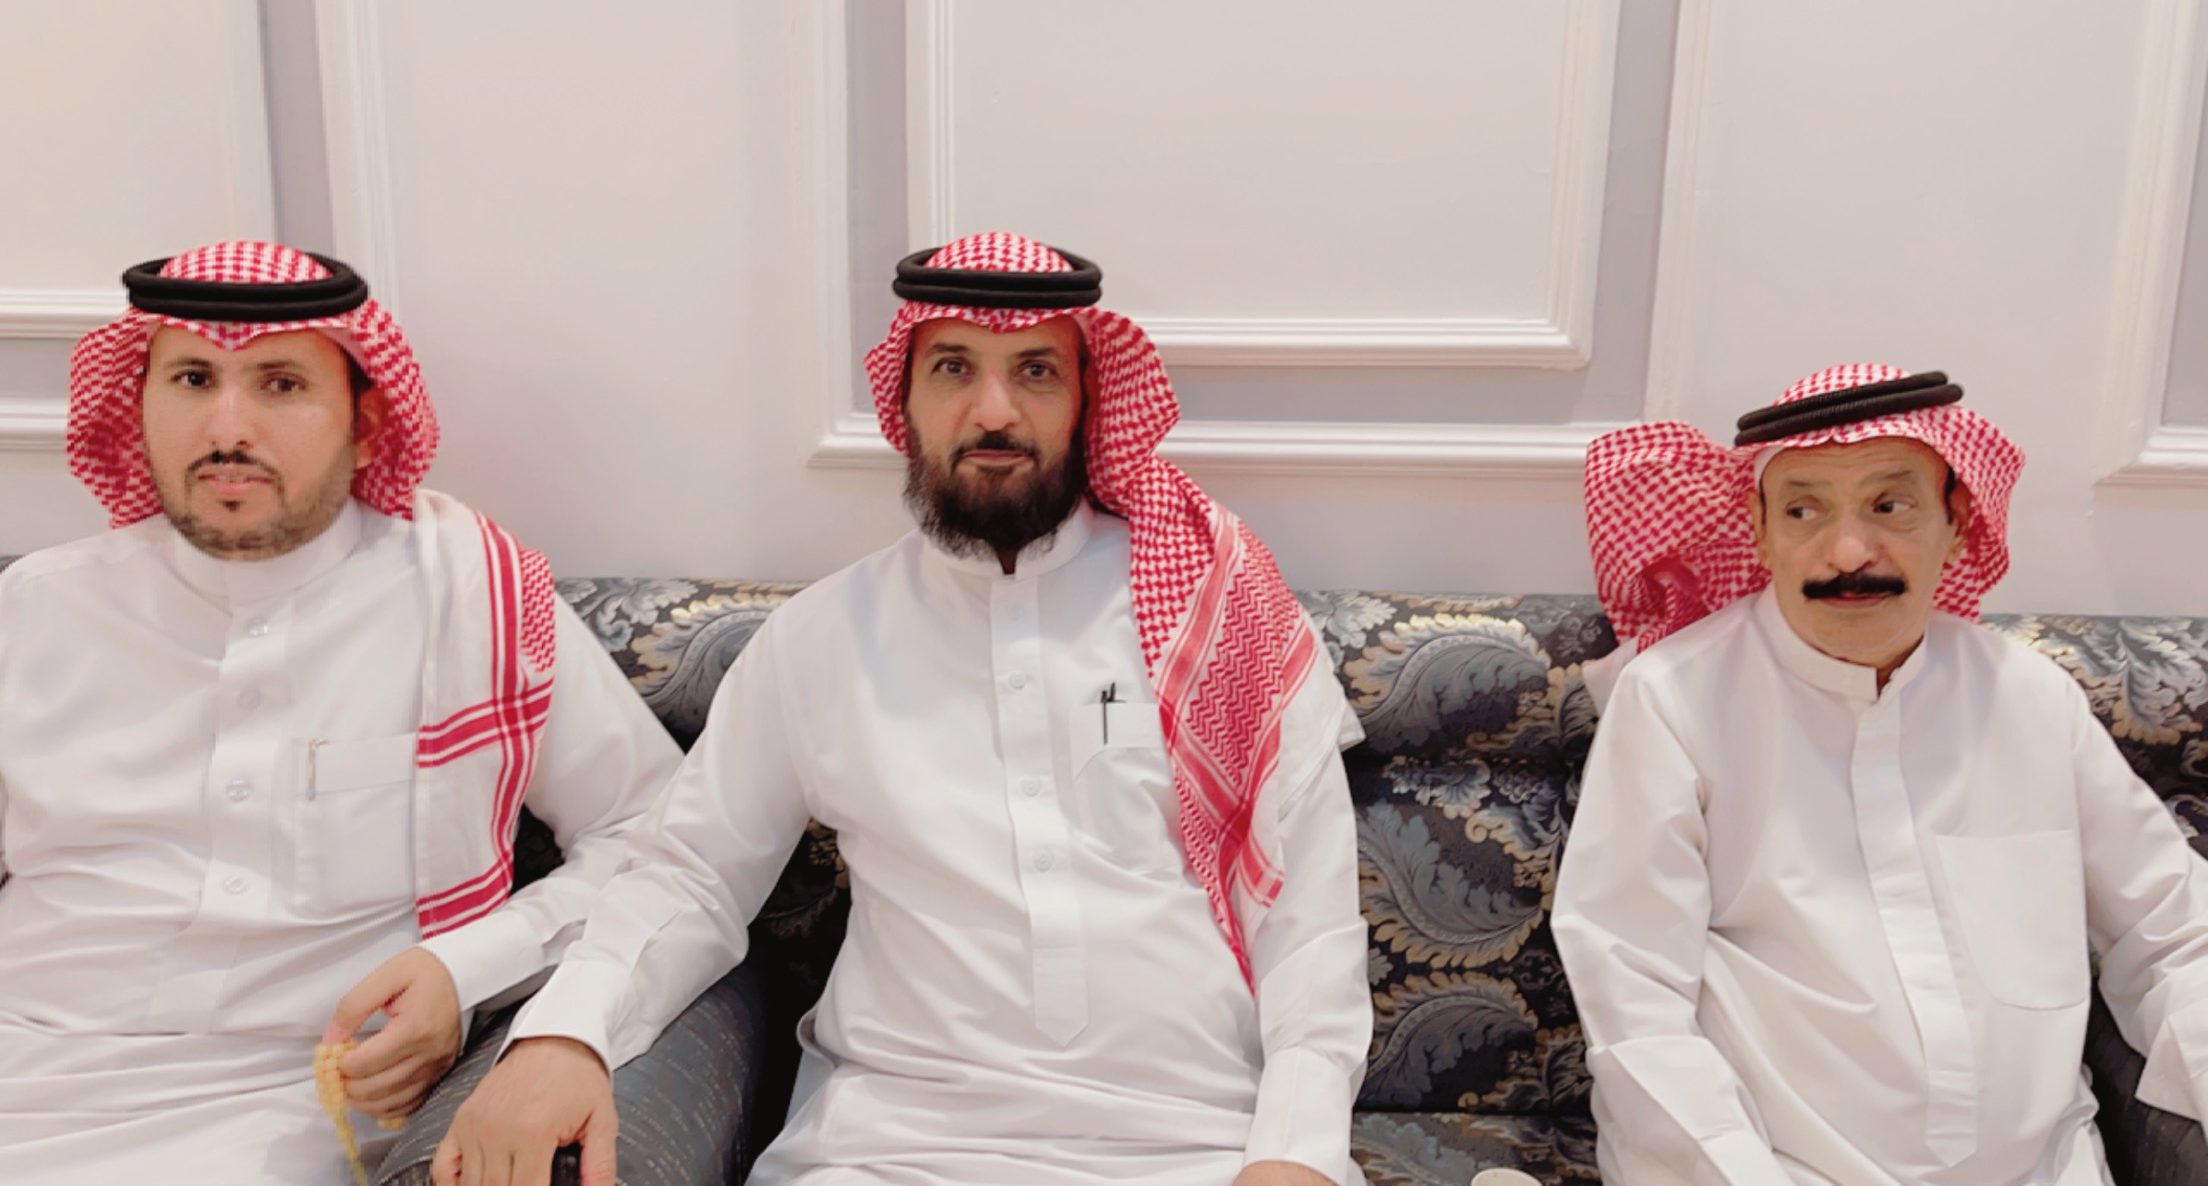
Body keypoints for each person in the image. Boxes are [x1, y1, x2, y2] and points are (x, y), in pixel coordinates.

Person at [441, 232, 1372, 1186]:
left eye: (1037, 371)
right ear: (905, 400)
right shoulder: (821, 639)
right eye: (954, 368)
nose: (994, 410)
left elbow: (1309, 926)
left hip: (1199, 1148)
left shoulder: (1221, 615)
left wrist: (1294, 1154)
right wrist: (566, 1033)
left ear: (1088, 400)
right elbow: (691, 875)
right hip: (888, 1151)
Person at [0, 241, 682, 1184]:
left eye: (280, 385)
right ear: (138, 404)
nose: (227, 428)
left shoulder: (475, 600)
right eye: (192, 379)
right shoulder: (35, 608)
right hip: (29, 1068)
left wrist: (465, 970)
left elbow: (659, 841)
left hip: (298, 1110)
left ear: (366, 423)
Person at [1556, 364, 2208, 1185]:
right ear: (1760, 532)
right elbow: (1635, 1004)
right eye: (1804, 511)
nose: (1849, 553)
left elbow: (2175, 935)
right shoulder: (1674, 701)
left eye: (1890, 506)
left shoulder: (2029, 697)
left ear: (1957, 520)